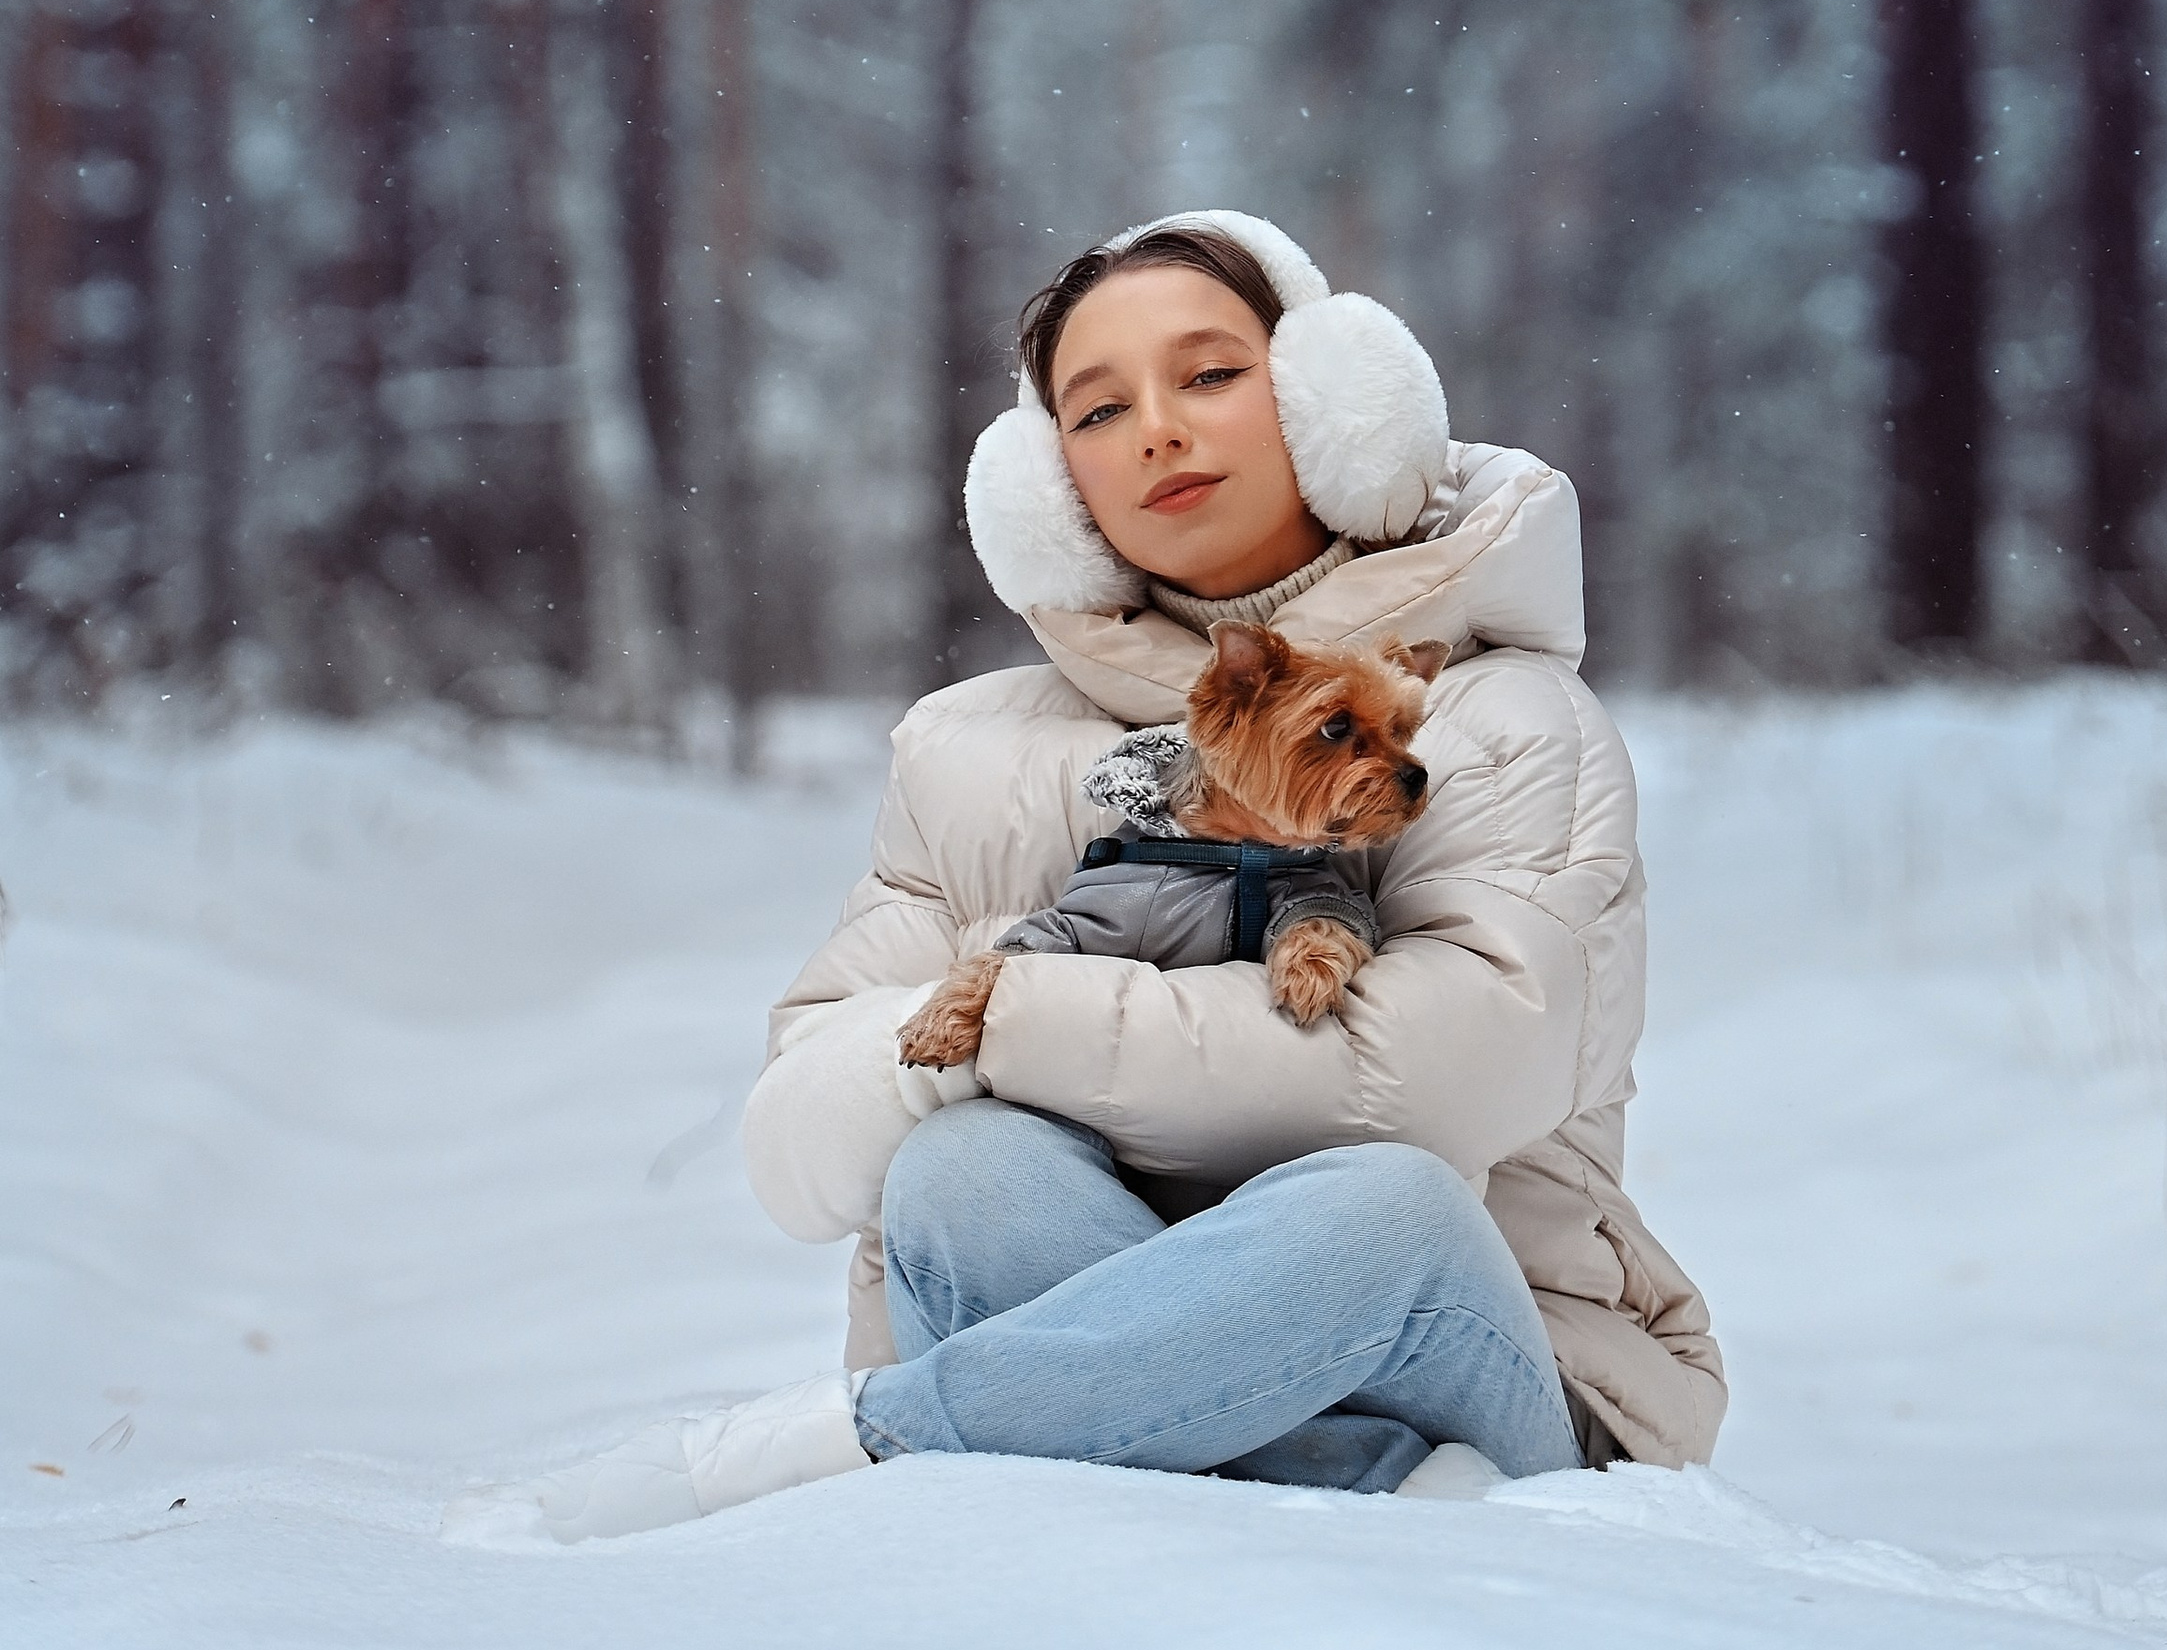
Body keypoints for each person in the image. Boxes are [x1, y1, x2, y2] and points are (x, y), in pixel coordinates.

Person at [539, 210, 1722, 1536]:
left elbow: (1426, 1087)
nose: (1157, 429)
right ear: (1051, 490)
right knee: (962, 1170)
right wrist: (969, 1057)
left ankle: (867, 1444)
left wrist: (1013, 1014)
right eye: (1098, 411)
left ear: (1334, 406)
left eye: (1209, 375)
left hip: (1453, 1354)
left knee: (1388, 1207)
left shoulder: (1492, 722)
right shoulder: (962, 752)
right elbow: (796, 1152)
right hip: (1255, 1412)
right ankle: (1335, 1485)